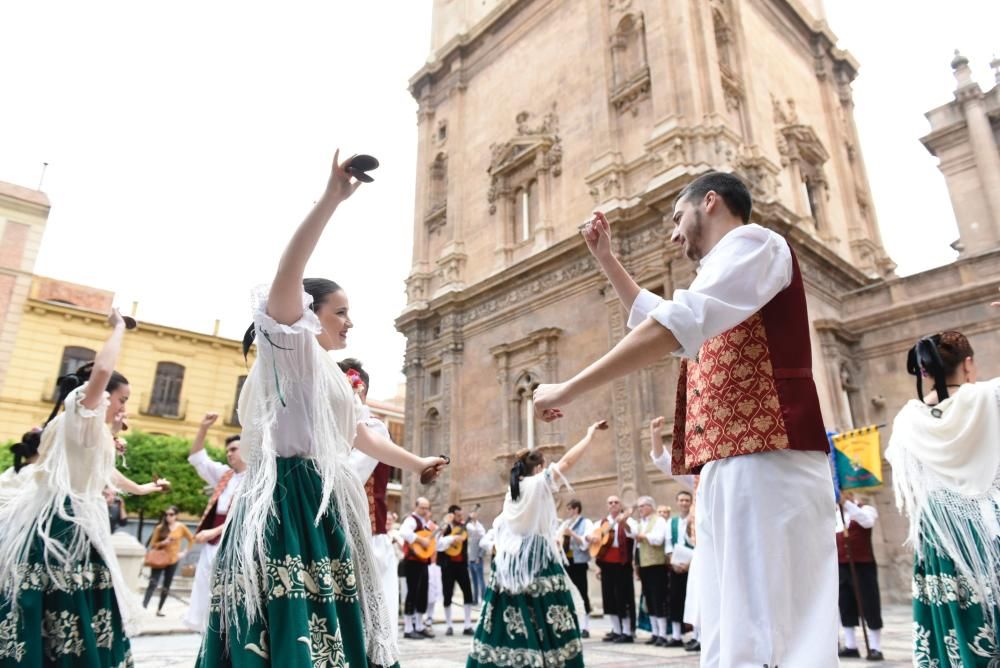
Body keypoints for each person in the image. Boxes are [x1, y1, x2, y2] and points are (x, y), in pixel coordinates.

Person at [535, 172, 838, 666]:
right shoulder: (722, 275)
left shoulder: (755, 244)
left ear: (711, 201)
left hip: (768, 456)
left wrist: (568, 387)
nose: (674, 233)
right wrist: (608, 261)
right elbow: (665, 313)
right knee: (730, 620)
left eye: (678, 217)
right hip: (732, 462)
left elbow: (675, 321)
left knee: (768, 625)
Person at [196, 151, 447, 668]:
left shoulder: (334, 378)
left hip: (324, 501)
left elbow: (362, 435)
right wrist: (332, 198)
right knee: (289, 621)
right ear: (309, 314)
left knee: (331, 620)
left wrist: (415, 463)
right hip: (286, 498)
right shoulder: (291, 351)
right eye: (342, 311)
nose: (350, 322)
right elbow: (288, 273)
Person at [0, 310, 168, 667]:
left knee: (74, 605)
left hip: (79, 525)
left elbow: (105, 475)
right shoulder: (80, 410)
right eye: (122, 399)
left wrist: (146, 488)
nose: (124, 406)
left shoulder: (87, 429)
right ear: (102, 395)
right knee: (67, 604)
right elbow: (103, 372)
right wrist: (120, 327)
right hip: (65, 526)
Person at [886, 328, 1000, 666]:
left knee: (955, 618)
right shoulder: (990, 397)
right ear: (968, 365)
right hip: (990, 524)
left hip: (941, 532)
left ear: (925, 371)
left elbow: (908, 474)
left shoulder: (908, 419)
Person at [467, 420, 608, 668]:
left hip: (509, 564)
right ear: (540, 467)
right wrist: (589, 435)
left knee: (509, 618)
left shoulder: (512, 491)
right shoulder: (537, 483)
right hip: (536, 558)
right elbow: (566, 463)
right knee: (548, 614)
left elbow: (503, 527)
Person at [341, 358, 403, 642]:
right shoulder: (335, 427)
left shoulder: (374, 427)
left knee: (369, 621)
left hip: (366, 535)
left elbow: (348, 474)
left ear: (357, 388)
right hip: (339, 531)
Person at [182, 412, 247, 632]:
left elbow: (243, 516)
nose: (229, 454)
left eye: (234, 449)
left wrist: (213, 531)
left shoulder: (256, 478)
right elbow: (198, 458)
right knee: (203, 587)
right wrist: (203, 428)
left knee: (225, 589)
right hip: (213, 541)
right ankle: (205, 634)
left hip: (236, 542)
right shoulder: (225, 475)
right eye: (227, 450)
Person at [835, 491, 884, 660]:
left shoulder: (866, 509)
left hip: (863, 566)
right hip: (841, 566)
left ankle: (875, 647)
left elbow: (866, 522)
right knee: (845, 604)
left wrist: (847, 505)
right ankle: (851, 645)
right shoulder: (836, 516)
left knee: (869, 604)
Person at [595, 495, 637, 643]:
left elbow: (634, 533)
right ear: (607, 506)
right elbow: (591, 537)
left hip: (622, 564)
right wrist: (591, 538)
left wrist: (624, 523)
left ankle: (627, 632)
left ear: (620, 505)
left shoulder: (629, 519)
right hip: (606, 565)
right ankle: (616, 630)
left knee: (623, 598)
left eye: (616, 502)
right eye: (610, 502)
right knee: (609, 598)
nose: (613, 504)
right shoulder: (602, 523)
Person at [143, 505, 194, 617]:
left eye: (171, 514)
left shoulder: (181, 527)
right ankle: (144, 607)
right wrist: (163, 542)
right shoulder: (159, 528)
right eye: (166, 514)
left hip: (173, 560)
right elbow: (153, 544)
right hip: (159, 559)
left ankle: (159, 609)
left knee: (167, 585)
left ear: (176, 515)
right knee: (153, 582)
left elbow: (191, 539)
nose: (168, 517)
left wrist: (184, 552)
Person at [633, 495, 669, 646]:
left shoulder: (659, 520)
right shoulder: (641, 523)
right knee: (649, 599)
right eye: (639, 507)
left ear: (650, 507)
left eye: (643, 506)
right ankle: (655, 632)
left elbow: (659, 538)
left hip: (657, 564)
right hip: (644, 565)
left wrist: (644, 536)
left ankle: (662, 633)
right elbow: (637, 546)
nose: (640, 509)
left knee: (658, 598)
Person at [400, 497, 437, 639]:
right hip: (412, 561)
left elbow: (430, 540)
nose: (425, 510)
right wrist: (421, 540)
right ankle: (408, 628)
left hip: (423, 561)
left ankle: (420, 625)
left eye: (427, 508)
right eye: (422, 507)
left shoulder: (425, 523)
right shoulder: (411, 520)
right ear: (416, 507)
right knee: (412, 592)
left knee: (423, 593)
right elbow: (404, 532)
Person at [437, 505, 475, 636]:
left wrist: (474, 521)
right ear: (452, 515)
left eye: (461, 515)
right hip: (447, 566)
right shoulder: (445, 527)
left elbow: (478, 533)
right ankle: (449, 625)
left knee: (468, 593)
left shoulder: (465, 527)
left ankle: (468, 625)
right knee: (447, 594)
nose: (461, 518)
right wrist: (452, 538)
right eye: (458, 516)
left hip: (462, 565)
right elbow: (438, 544)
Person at [559, 499, 594, 637]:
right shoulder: (566, 524)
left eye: (570, 509)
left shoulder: (586, 523)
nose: (569, 512)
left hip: (579, 562)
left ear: (576, 509)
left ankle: (585, 626)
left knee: (582, 592)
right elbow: (559, 538)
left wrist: (572, 533)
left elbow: (585, 543)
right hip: (567, 562)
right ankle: (573, 624)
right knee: (569, 593)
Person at [466, 508, 487, 606]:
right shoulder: (468, 529)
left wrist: (480, 556)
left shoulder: (480, 529)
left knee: (480, 580)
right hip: (470, 560)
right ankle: (475, 599)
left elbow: (483, 545)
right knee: (473, 581)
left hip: (478, 560)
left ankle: (483, 598)